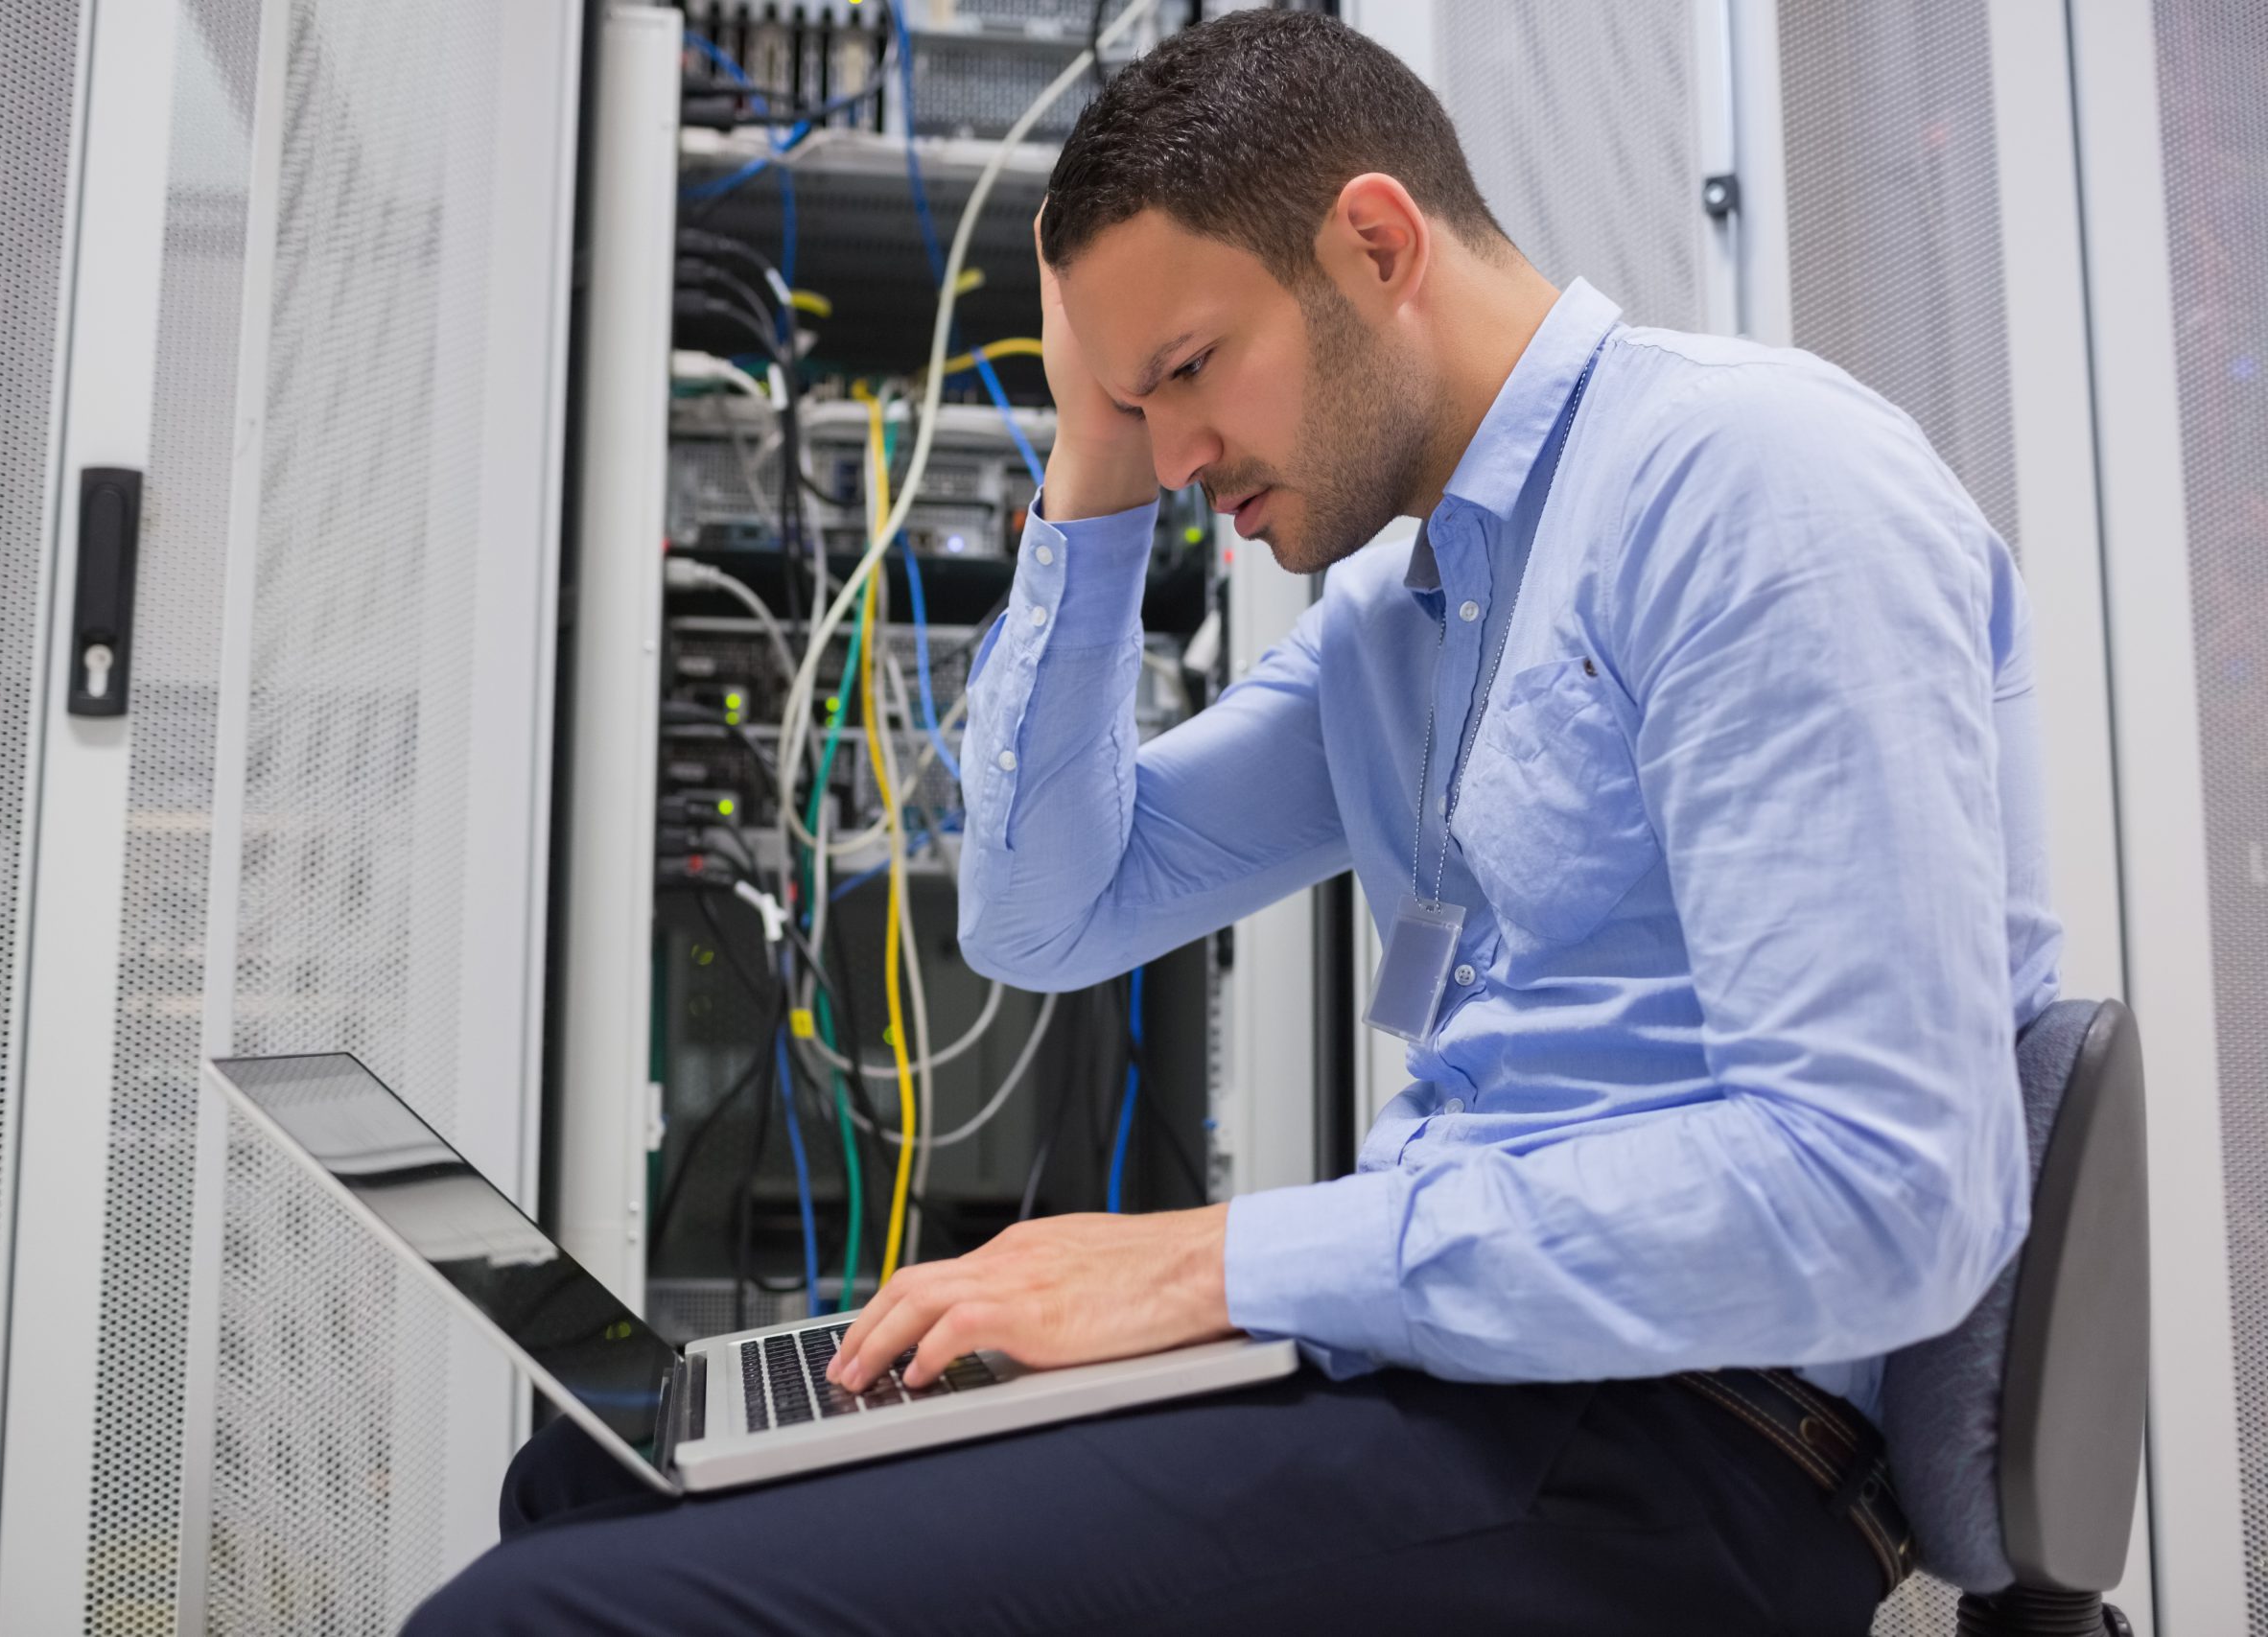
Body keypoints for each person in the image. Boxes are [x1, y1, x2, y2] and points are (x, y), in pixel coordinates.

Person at [408, 11, 2058, 1633]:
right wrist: (1095, 459)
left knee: (531, 1618)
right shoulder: (1408, 620)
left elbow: (1881, 1195)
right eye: (1140, 398)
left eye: (1189, 370)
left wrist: (1206, 1267)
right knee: (603, 1474)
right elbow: (1044, 912)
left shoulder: (1747, 485)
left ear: (1374, 243)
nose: (1182, 449)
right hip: (1457, 1379)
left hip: (1683, 1439)